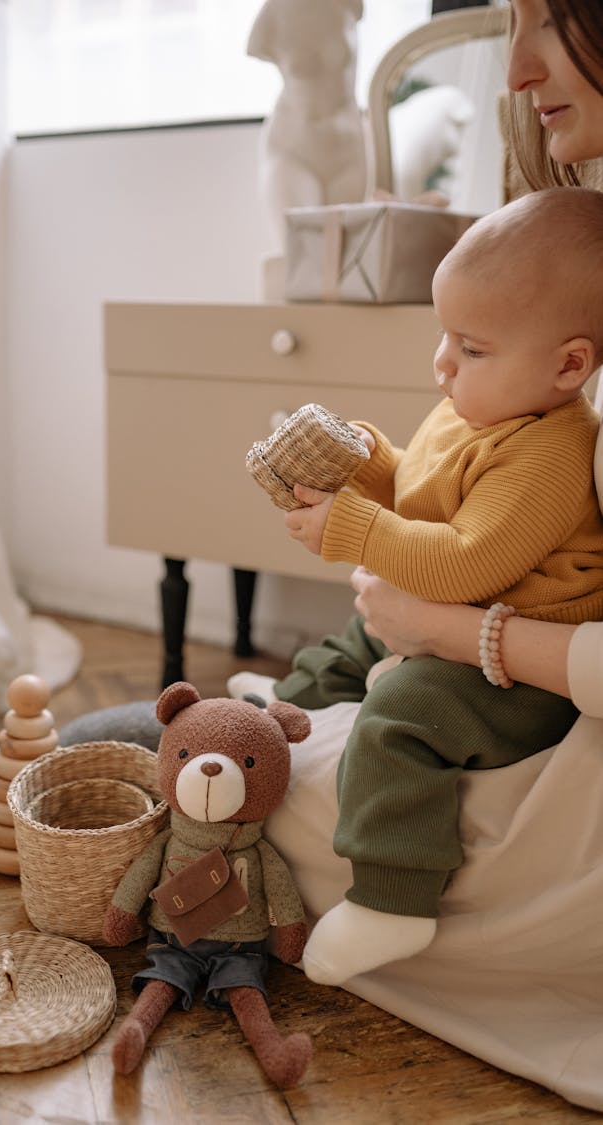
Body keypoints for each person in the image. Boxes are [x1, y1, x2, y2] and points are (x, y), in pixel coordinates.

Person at [231, 184, 603, 984]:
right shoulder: (478, 411)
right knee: (342, 643)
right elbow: (423, 494)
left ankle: (393, 900)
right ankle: (280, 712)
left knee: (406, 711)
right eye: (445, 335)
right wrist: (366, 457)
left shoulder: (551, 451)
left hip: (516, 673)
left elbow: (467, 559)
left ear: (569, 364)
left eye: (471, 348)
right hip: (459, 621)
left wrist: (353, 530)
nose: (442, 363)